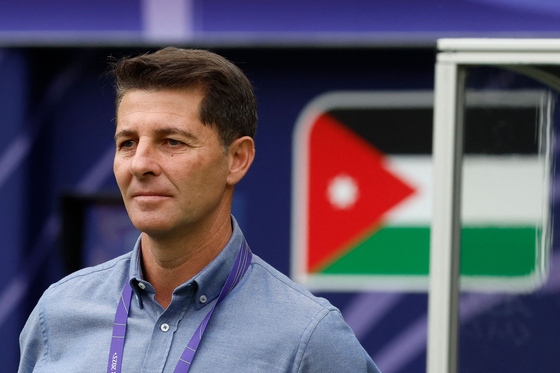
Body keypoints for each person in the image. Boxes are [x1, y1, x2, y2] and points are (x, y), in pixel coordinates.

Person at [18, 47, 381, 373]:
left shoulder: (308, 337)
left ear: (237, 159)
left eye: (172, 141)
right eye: (127, 143)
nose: (140, 164)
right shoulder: (59, 312)